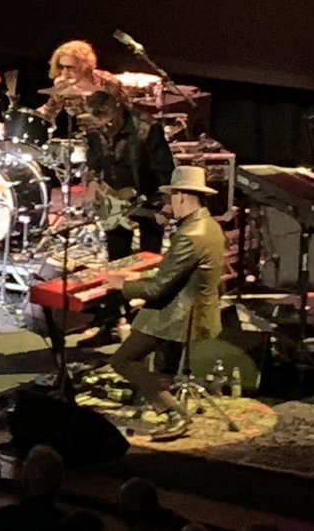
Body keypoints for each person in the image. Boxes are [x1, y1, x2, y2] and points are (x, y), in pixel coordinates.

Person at [106, 165, 225, 441]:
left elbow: (159, 288)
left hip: (179, 315)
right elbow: (176, 272)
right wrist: (139, 277)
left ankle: (173, 411)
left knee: (122, 360)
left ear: (182, 196)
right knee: (138, 336)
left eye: (172, 197)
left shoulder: (189, 235)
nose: (170, 204)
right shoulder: (210, 226)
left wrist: (121, 285)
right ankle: (156, 390)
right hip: (198, 308)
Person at [82, 90, 175, 260]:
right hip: (114, 199)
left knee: (148, 260)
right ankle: (118, 286)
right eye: (98, 119)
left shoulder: (146, 127)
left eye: (107, 118)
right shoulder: (92, 126)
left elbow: (165, 168)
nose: (104, 125)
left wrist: (167, 203)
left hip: (149, 197)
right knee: (116, 258)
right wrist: (93, 181)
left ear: (118, 107)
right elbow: (93, 158)